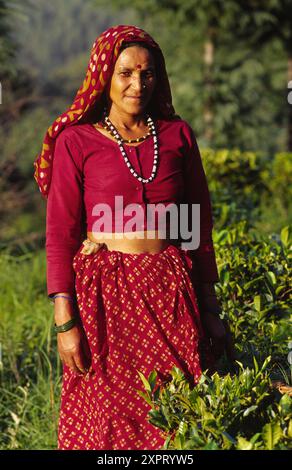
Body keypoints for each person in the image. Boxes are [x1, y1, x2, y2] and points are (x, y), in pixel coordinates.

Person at [34, 24, 229, 451]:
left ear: (159, 78)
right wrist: (65, 321)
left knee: (177, 414)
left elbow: (198, 226)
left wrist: (210, 306)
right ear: (105, 76)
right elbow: (61, 234)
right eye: (125, 73)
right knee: (110, 419)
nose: (136, 84)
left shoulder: (178, 136)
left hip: (170, 291)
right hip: (105, 298)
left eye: (147, 74)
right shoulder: (76, 141)